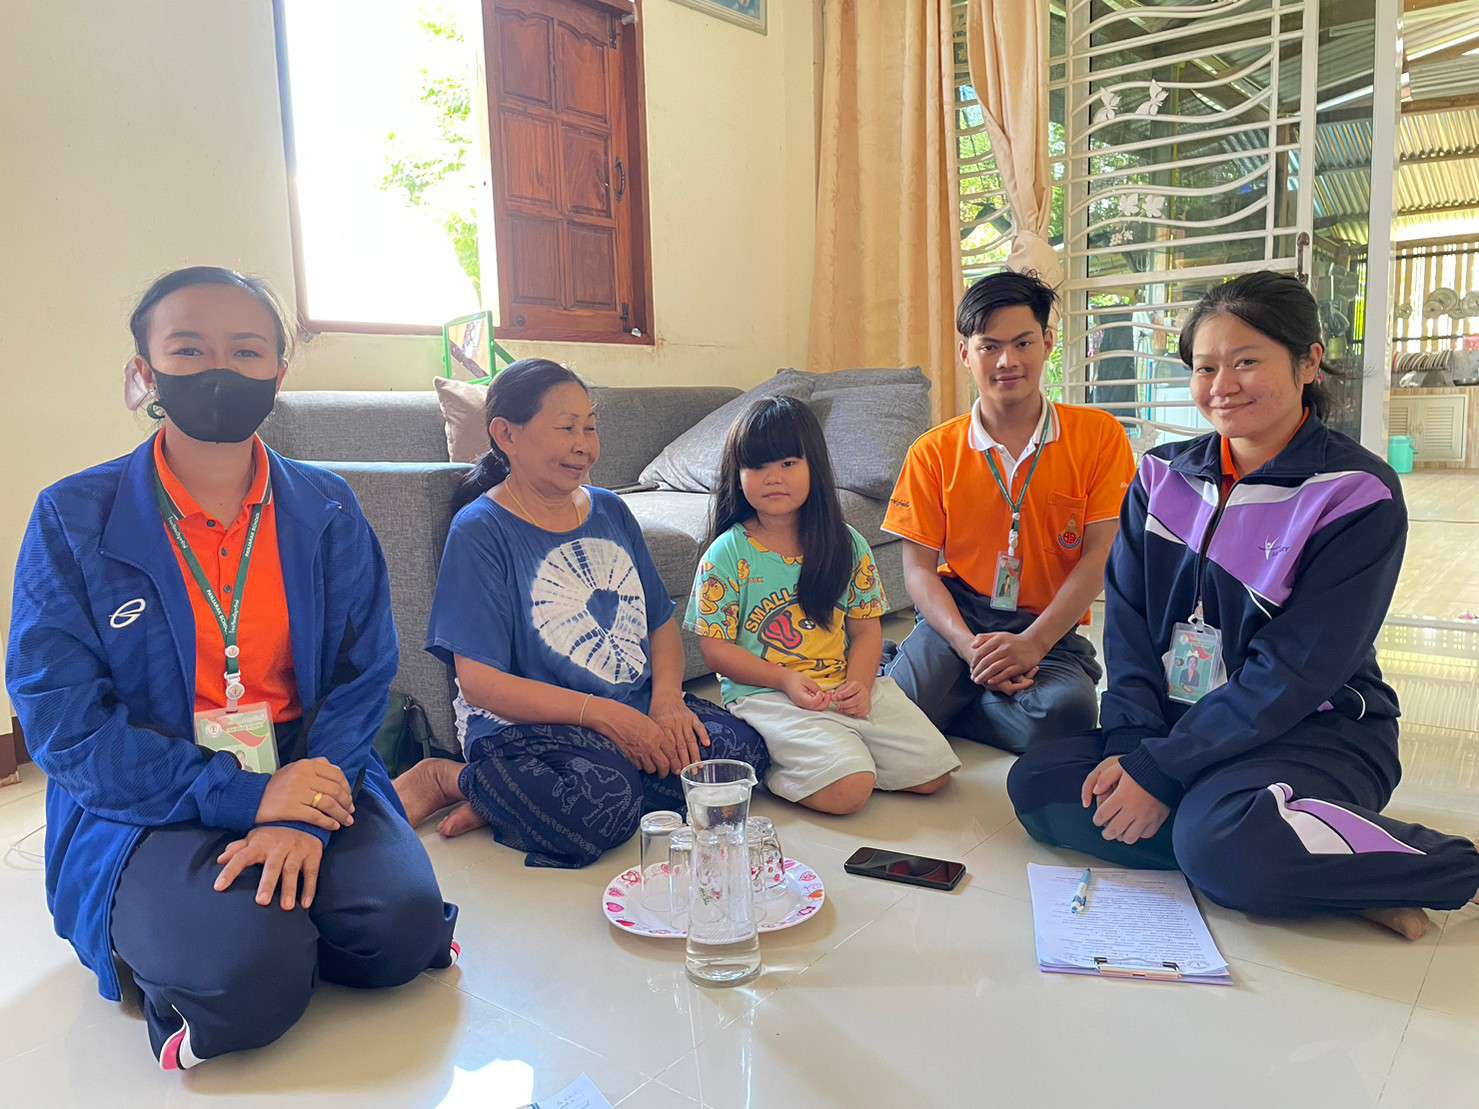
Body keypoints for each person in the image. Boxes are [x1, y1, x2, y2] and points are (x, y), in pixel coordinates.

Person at [6, 267, 458, 1071]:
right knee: (246, 978)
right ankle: (226, 949)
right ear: (145, 372)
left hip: (306, 765)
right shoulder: (72, 515)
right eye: (188, 349)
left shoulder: (327, 508)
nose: (219, 368)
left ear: (279, 371)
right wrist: (247, 798)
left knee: (402, 931)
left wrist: (299, 807)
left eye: (246, 350)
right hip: (148, 790)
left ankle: (281, 922)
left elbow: (362, 674)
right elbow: (63, 722)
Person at [1007, 270, 1479, 938]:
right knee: (1039, 783)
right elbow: (1129, 628)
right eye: (1205, 367)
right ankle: (1323, 872)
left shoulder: (1354, 492)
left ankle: (1444, 867)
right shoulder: (1160, 476)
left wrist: (1162, 771)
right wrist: (1135, 748)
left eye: (1246, 361)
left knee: (1221, 842)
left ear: (1308, 361)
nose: (1222, 384)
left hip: (1316, 734)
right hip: (1181, 728)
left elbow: (1295, 669)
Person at [392, 360, 770, 867]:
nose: (584, 445)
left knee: (740, 756)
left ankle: (510, 798)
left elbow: (660, 622)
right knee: (599, 808)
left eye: (590, 427)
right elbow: (481, 684)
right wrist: (608, 717)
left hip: (630, 704)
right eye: (566, 428)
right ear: (506, 434)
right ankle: (453, 779)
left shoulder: (610, 509)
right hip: (529, 726)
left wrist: (666, 704)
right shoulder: (480, 529)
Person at [884, 271, 1137, 753]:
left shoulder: (1099, 436)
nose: (1008, 361)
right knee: (899, 717)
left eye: (1023, 343)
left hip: (1047, 623)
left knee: (1068, 718)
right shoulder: (933, 452)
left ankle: (947, 699)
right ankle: (937, 683)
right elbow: (917, 571)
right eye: (990, 347)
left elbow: (1100, 556)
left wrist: (1034, 644)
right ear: (966, 353)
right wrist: (967, 646)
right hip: (959, 615)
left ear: (1047, 343)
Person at [686, 397, 960, 814]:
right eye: (757, 466)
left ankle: (842, 750)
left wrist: (861, 684)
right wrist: (784, 680)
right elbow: (715, 650)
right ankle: (774, 766)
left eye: (788, 464)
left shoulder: (847, 543)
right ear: (737, 475)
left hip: (841, 684)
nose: (773, 478)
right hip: (767, 694)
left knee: (934, 774)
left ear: (814, 465)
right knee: (850, 791)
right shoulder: (727, 553)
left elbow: (866, 631)